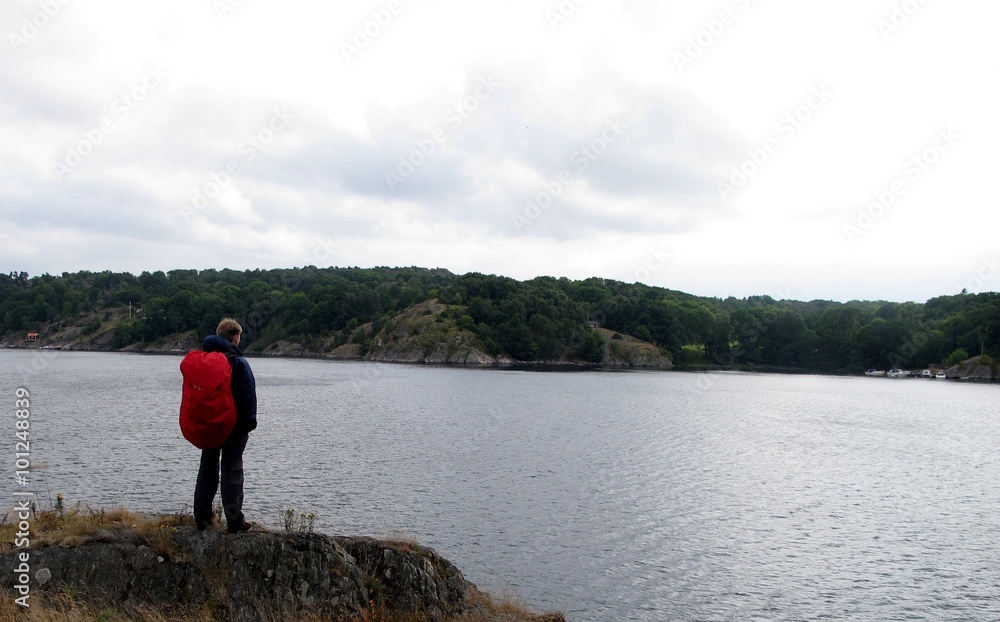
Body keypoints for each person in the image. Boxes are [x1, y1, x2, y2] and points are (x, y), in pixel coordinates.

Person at [194, 318, 257, 532]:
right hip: (234, 426)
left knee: (207, 468)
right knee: (232, 470)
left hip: (210, 424)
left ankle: (202, 520)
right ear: (236, 337)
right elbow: (249, 396)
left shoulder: (204, 362)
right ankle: (234, 521)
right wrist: (249, 424)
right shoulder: (239, 362)